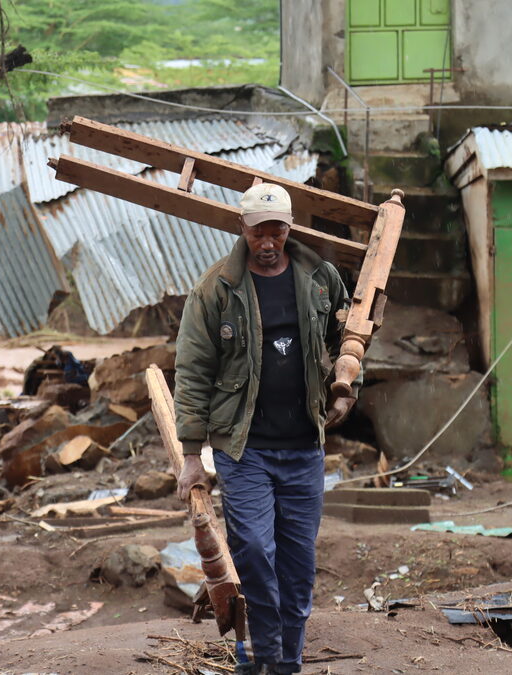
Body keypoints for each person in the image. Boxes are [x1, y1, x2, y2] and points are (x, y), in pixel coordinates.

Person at [172, 183, 359, 675]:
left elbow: (351, 337)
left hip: (303, 448)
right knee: (254, 551)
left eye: (277, 230)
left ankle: (285, 664)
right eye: (259, 231)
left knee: (297, 569)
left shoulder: (321, 278)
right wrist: (192, 455)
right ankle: (257, 656)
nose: (268, 241)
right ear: (243, 228)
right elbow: (191, 373)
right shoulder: (215, 289)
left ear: (289, 228)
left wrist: (346, 385)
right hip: (244, 448)